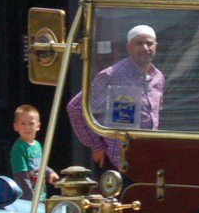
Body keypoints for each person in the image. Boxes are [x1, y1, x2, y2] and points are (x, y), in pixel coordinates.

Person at [67, 25, 166, 169]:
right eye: (139, 43)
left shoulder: (158, 77)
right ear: (128, 47)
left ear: (156, 46)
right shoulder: (112, 75)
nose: (145, 48)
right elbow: (75, 107)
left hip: (147, 156)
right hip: (117, 160)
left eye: (149, 43)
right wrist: (96, 146)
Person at [10, 104, 57, 196]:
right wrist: (30, 199)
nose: (27, 127)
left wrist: (50, 174)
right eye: (23, 123)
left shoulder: (37, 145)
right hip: (29, 199)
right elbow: (21, 177)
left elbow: (41, 166)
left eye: (31, 123)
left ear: (38, 126)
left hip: (41, 195)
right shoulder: (18, 148)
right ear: (16, 127)